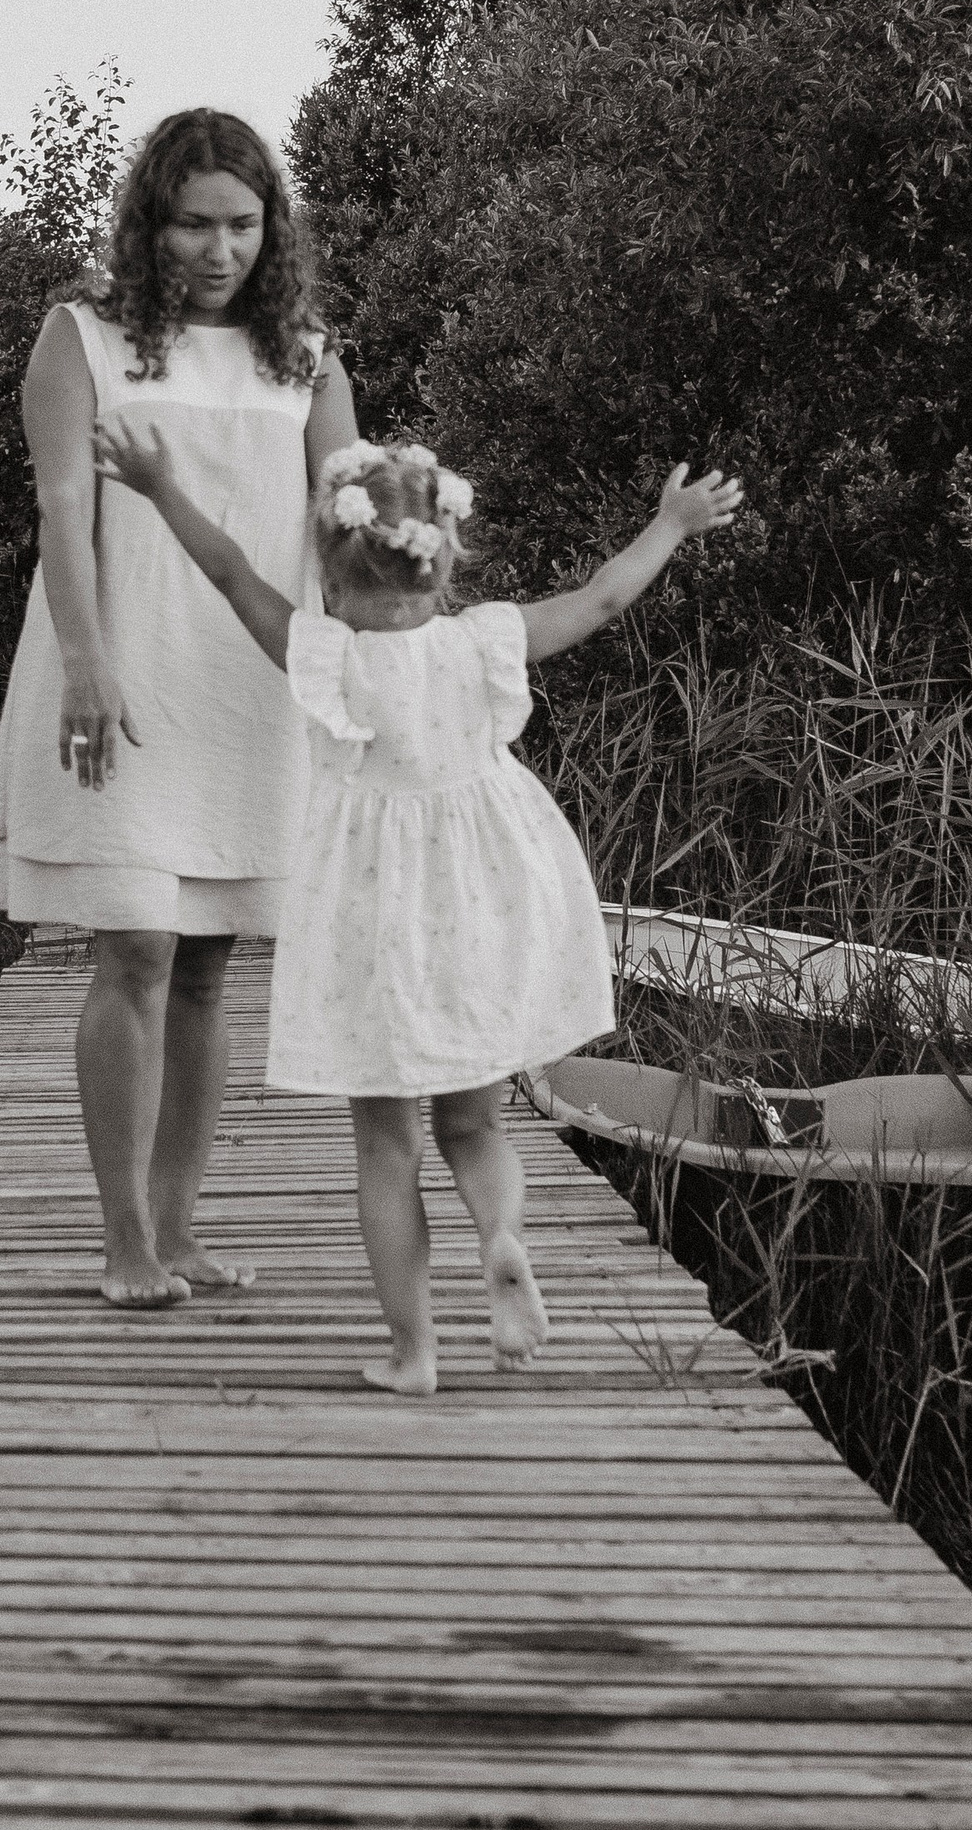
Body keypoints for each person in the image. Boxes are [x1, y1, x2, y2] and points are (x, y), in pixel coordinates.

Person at [90, 425, 743, 1393]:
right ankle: (501, 1233)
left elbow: (228, 573)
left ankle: (414, 1352)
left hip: (374, 922)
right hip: (482, 904)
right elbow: (605, 594)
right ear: (442, 570)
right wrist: (671, 522)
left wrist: (159, 486)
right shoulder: (487, 639)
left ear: (334, 577)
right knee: (474, 1127)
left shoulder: (322, 651)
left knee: (386, 1146)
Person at [0, 109, 358, 1307]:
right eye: (193, 223)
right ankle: (124, 1239)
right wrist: (87, 660)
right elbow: (61, 512)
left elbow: (348, 534)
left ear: (271, 228)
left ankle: (183, 1228)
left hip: (250, 681)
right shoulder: (79, 336)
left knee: (206, 967)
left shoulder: (307, 355)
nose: (218, 248)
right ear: (151, 222)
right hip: (123, 661)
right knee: (134, 945)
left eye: (242, 224)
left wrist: (375, 677)